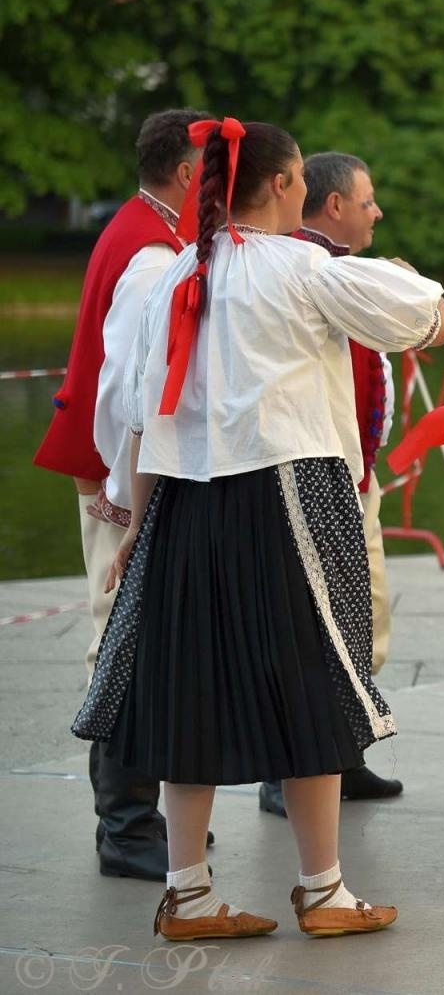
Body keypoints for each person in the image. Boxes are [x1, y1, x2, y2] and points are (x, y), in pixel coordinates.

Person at [74, 117, 444, 941]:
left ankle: (189, 893)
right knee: (316, 680)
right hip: (291, 489)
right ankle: (322, 890)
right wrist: (394, 275)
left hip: (182, 502)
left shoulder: (176, 269)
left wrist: (136, 522)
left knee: (188, 691)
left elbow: (138, 412)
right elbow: (429, 319)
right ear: (285, 184)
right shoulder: (303, 267)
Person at [50, 108, 209, 881]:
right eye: (216, 170)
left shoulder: (151, 233)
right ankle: (126, 825)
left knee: (136, 632)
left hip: (121, 465)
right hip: (120, 468)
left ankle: (140, 816)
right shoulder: (151, 252)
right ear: (186, 173)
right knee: (123, 633)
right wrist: (130, 495)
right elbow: (127, 389)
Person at [254, 152, 405, 818]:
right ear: (336, 206)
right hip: (321, 478)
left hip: (353, 473)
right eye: (368, 202)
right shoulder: (307, 273)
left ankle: (343, 753)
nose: (377, 213)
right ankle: (285, 769)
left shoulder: (339, 274)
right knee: (315, 623)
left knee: (360, 617)